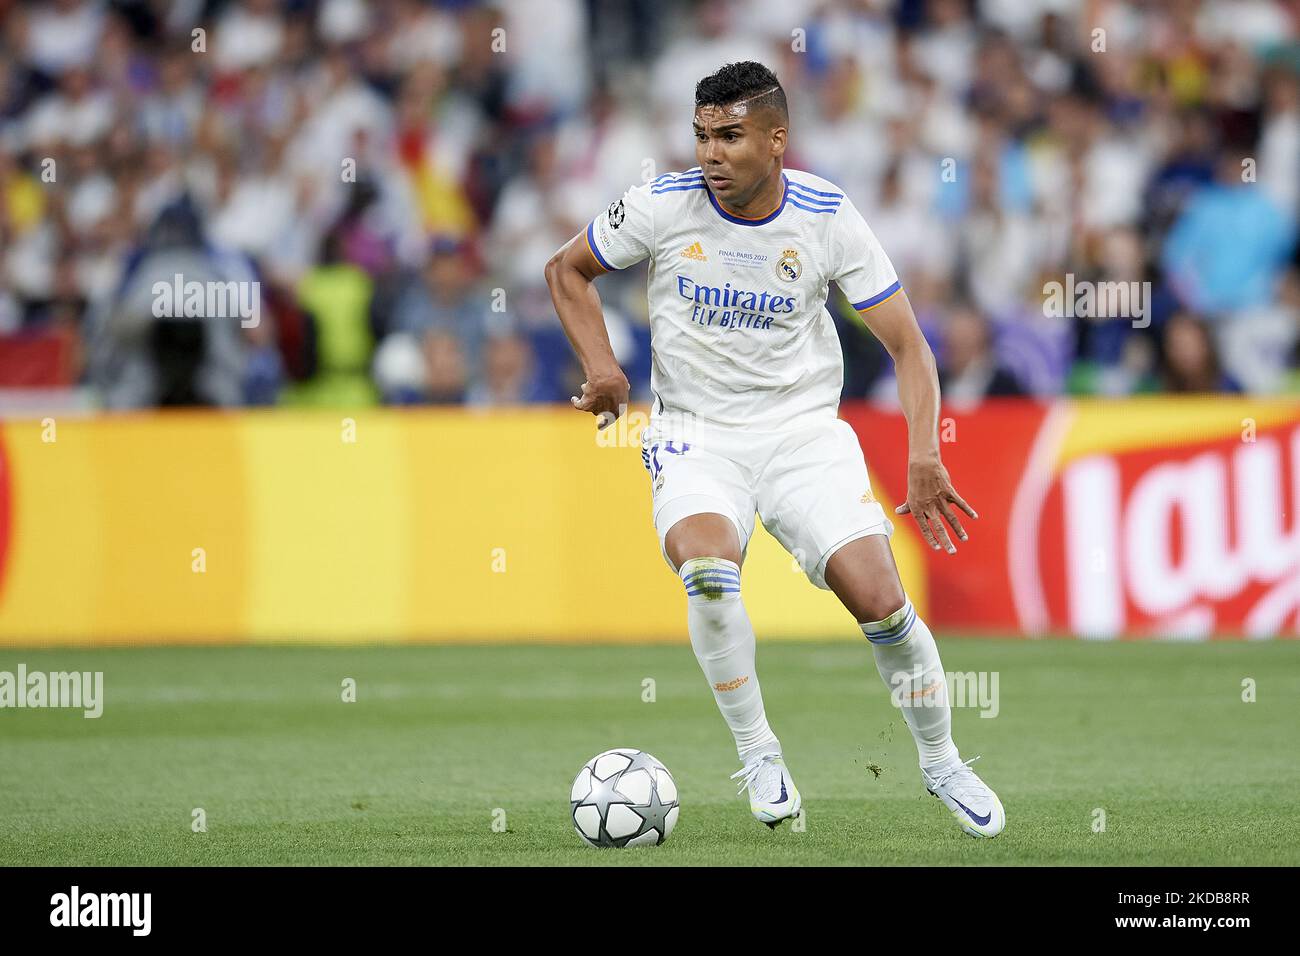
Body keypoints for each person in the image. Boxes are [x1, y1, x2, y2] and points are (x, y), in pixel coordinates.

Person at [545, 61, 1004, 837]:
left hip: (803, 432)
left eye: (729, 136)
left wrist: (925, 451)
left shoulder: (826, 216)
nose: (710, 153)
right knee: (708, 567)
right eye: (701, 136)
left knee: (884, 605)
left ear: (776, 139)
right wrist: (601, 364)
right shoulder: (662, 204)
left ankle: (943, 761)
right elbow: (567, 269)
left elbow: (910, 348)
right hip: (695, 432)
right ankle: (759, 753)